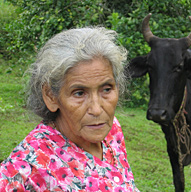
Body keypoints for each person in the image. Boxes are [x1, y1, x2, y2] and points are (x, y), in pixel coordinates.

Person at [0, 27, 140, 191]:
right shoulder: (25, 169)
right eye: (79, 93)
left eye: (106, 89)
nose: (96, 109)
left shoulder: (111, 130)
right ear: (51, 96)